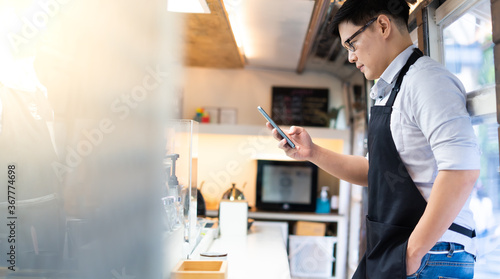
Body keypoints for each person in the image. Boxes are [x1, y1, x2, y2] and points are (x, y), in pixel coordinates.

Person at [266, 0, 480, 278]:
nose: (351, 57)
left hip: (434, 255)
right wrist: (312, 152)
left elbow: (462, 171)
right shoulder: (392, 90)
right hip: (400, 249)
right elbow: (375, 172)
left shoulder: (428, 81)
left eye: (351, 44)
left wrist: (412, 254)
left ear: (382, 25)